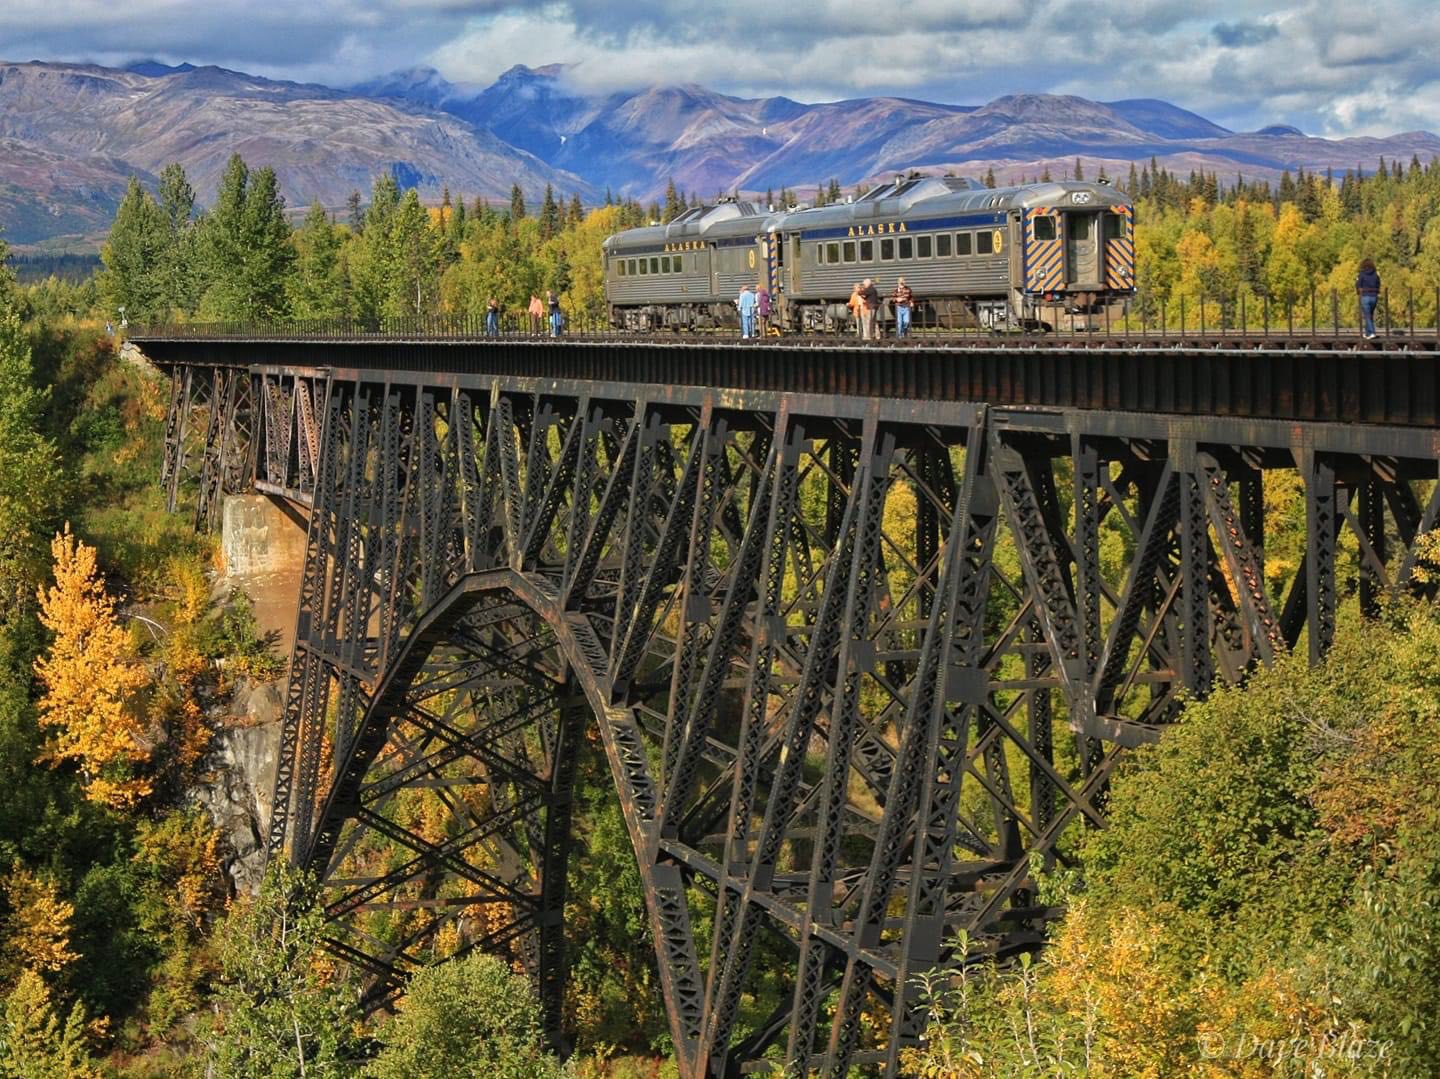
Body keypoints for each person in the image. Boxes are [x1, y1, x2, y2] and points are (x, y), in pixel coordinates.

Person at [1356, 258, 1381, 339]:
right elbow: (1378, 284)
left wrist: (1358, 292)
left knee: (1367, 316)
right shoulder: (1376, 274)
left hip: (1365, 296)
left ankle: (1372, 332)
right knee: (1370, 315)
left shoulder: (1361, 274)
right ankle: (1367, 333)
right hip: (1374, 297)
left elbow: (1358, 285)